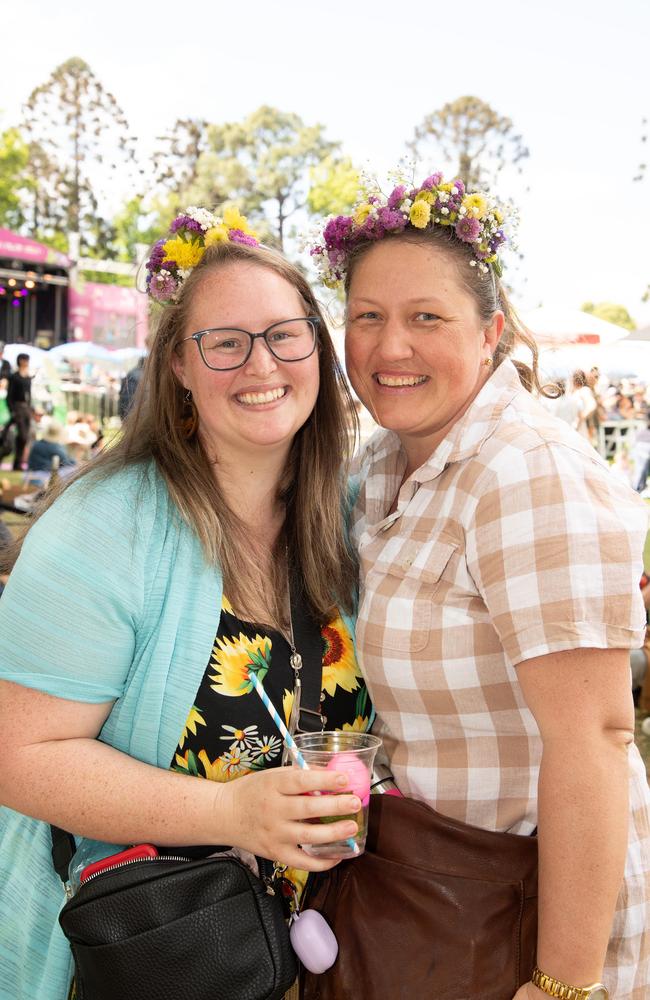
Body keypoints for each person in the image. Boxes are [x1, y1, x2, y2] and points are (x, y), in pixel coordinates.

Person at [0, 205, 372, 1000]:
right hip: (145, 956)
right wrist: (232, 814)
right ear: (177, 364)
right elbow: (18, 756)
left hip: (313, 956)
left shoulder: (350, 514)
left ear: (317, 344)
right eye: (224, 341)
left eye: (284, 333)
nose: (260, 363)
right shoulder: (106, 527)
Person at [311, 171, 649, 999]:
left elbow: (596, 739)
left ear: (491, 331)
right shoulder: (388, 459)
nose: (392, 347)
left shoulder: (524, 472)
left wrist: (563, 984)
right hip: (439, 894)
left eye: (427, 317)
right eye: (367, 318)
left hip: (532, 911)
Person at [0, 352, 32, 469]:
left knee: (24, 438)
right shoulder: (14, 377)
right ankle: (7, 457)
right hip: (17, 408)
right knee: (19, 436)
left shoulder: (28, 377)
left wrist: (29, 408)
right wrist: (12, 410)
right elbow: (10, 396)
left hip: (25, 409)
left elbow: (29, 394)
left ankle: (17, 463)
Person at [117, 354, 145, 419]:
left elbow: (122, 392)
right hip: (134, 409)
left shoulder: (131, 372)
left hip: (126, 407)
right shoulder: (143, 376)